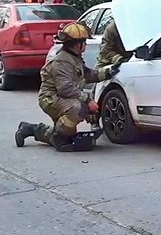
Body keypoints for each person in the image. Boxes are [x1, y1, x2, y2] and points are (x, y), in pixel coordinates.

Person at [15, 22, 121, 152]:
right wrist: (88, 101)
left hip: (62, 99)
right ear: (77, 44)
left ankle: (30, 129)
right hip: (51, 99)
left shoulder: (74, 58)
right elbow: (65, 89)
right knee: (78, 109)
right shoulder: (61, 62)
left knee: (67, 133)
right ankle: (58, 137)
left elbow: (88, 75)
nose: (86, 44)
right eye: (84, 41)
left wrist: (108, 72)